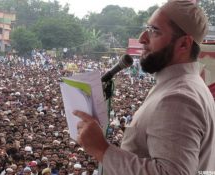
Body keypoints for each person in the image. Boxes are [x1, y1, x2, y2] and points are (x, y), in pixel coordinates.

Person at [74, 0, 215, 174]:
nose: (142, 38)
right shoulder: (184, 86)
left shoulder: (178, 98)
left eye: (154, 31)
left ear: (184, 44)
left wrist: (102, 149)